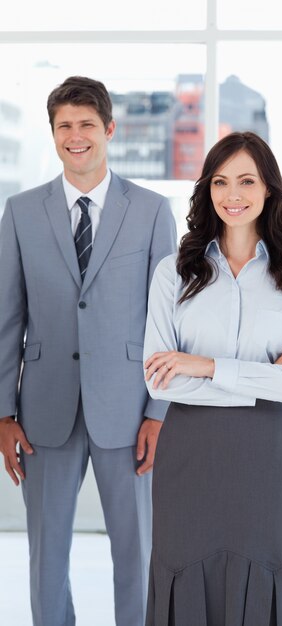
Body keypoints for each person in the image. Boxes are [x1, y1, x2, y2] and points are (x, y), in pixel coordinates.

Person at [0, 76, 177, 626]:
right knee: (46, 554)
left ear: (109, 130)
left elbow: (167, 323)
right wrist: (3, 411)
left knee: (137, 551)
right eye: (64, 127)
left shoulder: (151, 210)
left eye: (86, 125)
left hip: (128, 410)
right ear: (53, 133)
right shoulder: (22, 211)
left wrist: (158, 413)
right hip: (44, 409)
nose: (75, 137)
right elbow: (7, 319)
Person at [143, 131, 282, 626]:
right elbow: (161, 381)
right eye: (220, 182)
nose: (233, 194)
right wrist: (270, 375)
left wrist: (203, 365)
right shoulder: (174, 273)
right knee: (184, 573)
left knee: (270, 577)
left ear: (269, 188)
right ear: (206, 190)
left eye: (247, 181)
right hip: (189, 455)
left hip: (268, 458)